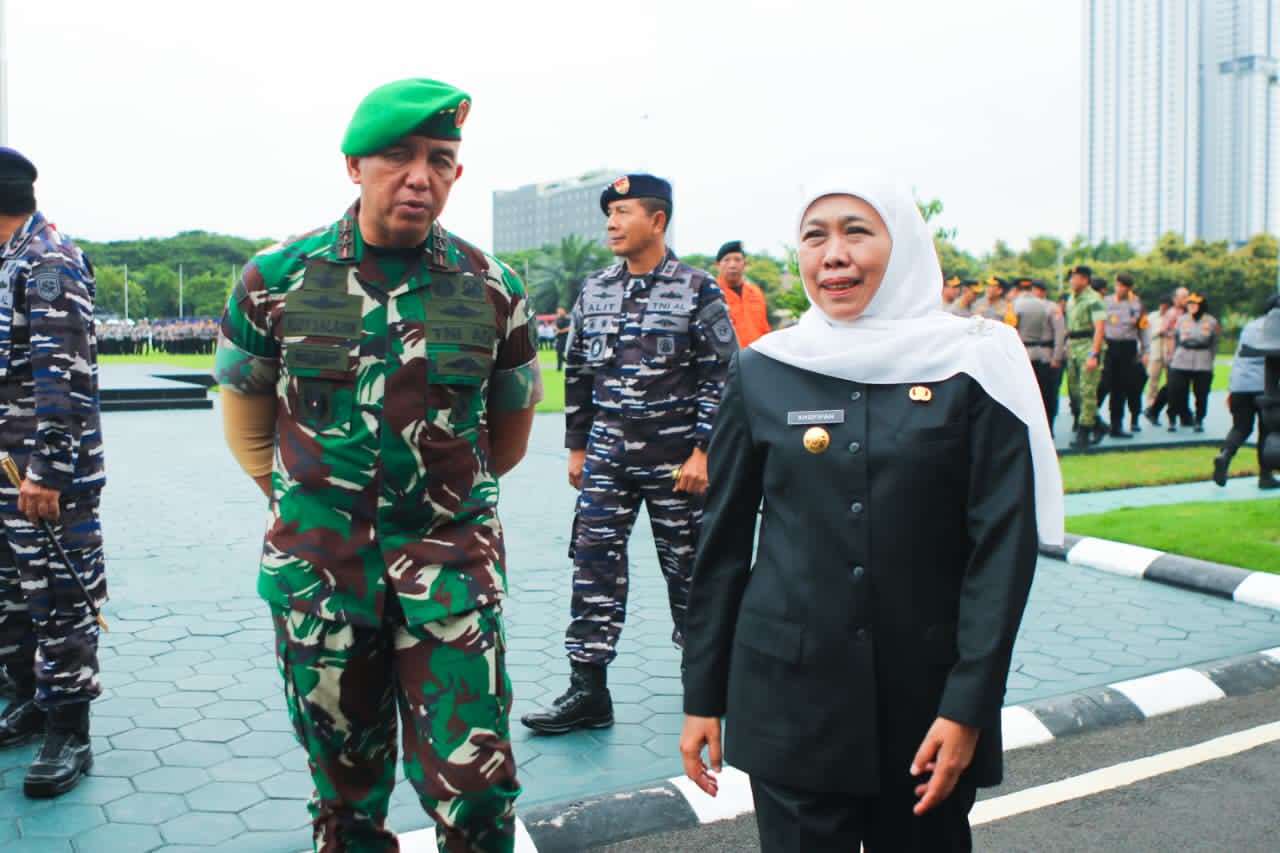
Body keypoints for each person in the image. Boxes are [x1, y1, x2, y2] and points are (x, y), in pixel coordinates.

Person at [678, 171, 1061, 852]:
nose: (833, 254)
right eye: (814, 235)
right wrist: (702, 693)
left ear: (906, 245)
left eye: (858, 231)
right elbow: (725, 542)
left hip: (926, 705)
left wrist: (968, 704)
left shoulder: (973, 365)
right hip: (789, 700)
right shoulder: (765, 367)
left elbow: (1001, 549)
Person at [213, 79, 541, 852]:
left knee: (479, 798)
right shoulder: (277, 278)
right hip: (321, 580)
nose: (420, 176)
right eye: (398, 155)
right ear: (353, 165)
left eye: (441, 159)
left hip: (451, 576)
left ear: (457, 174)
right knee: (347, 805)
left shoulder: (492, 288)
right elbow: (248, 426)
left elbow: (510, 436)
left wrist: (429, 509)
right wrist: (318, 504)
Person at [521, 174, 736, 735]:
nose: (611, 224)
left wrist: (703, 451)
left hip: (677, 463)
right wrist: (576, 446)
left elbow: (724, 376)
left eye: (622, 212)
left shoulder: (698, 289)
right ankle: (588, 690)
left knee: (688, 571)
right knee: (593, 566)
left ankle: (707, 685)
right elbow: (579, 373)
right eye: (608, 214)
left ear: (657, 220)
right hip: (608, 459)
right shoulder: (595, 289)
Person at [0, 148, 106, 799]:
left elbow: (62, 378)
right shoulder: (12, 258)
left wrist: (48, 473)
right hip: (10, 468)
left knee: (59, 598)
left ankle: (71, 729)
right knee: (14, 598)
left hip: (44, 477)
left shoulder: (47, 261)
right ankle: (32, 700)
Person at [1214, 296, 1279, 489]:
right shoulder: (1275, 327)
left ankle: (1225, 455)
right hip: (1264, 386)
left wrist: (1231, 387)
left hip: (1241, 384)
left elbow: (1238, 356)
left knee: (1241, 427)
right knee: (1267, 431)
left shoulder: (1250, 326)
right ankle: (1265, 476)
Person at [1013, 278, 1065, 432]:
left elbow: (1059, 333)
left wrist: (1057, 356)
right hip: (1038, 353)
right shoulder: (1043, 306)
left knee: (1047, 393)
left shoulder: (1050, 307)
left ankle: (1048, 426)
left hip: (1043, 353)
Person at [1097, 272, 1146, 439]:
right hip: (1109, 345)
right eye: (1118, 285)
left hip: (1127, 347)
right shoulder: (1106, 302)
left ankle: (1116, 425)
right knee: (1103, 384)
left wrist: (1145, 351)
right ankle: (1089, 419)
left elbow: (1142, 328)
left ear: (1129, 288)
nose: (1120, 289)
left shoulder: (1136, 304)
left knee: (1121, 388)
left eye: (1124, 286)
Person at [1065, 265, 1108, 448]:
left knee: (1087, 390)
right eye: (1071, 278)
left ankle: (1085, 432)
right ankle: (1098, 424)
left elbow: (1100, 328)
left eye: (1075, 277)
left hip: (1088, 344)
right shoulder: (1071, 299)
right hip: (1074, 346)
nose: (1071, 281)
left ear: (1084, 279)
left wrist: (1094, 353)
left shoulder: (1095, 300)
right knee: (1074, 392)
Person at [1166, 294, 1220, 433]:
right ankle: (1172, 418)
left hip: (1202, 359)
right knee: (1175, 390)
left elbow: (1214, 343)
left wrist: (1210, 359)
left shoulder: (1211, 321)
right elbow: (1175, 338)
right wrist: (1171, 356)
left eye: (1195, 304)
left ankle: (1199, 420)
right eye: (1190, 304)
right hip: (1182, 357)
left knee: (1201, 393)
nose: (1192, 307)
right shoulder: (1182, 320)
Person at [714, 240, 771, 348]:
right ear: (718, 265)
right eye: (727, 260)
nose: (732, 265)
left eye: (737, 260)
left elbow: (764, 328)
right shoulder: (712, 295)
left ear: (745, 264)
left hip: (758, 356)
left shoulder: (756, 292)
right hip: (729, 360)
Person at [554, 305, 571, 371]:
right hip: (559, 337)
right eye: (558, 310)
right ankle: (559, 367)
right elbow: (557, 327)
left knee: (564, 352)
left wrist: (560, 331)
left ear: (563, 310)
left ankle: (568, 361)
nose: (559, 311)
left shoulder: (567, 318)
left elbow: (569, 328)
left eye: (560, 310)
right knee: (559, 352)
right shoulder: (558, 318)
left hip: (565, 337)